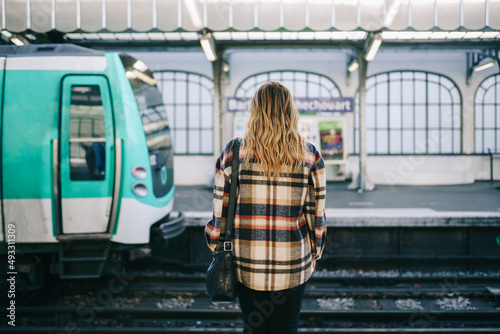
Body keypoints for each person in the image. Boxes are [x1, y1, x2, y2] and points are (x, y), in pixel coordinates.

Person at [205, 81, 327, 334]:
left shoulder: (233, 151)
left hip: (246, 262)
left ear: (255, 109)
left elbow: (220, 212)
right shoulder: (310, 155)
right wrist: (315, 253)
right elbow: (316, 215)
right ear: (290, 110)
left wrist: (215, 246)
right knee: (286, 326)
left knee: (254, 326)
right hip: (294, 261)